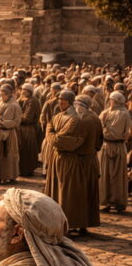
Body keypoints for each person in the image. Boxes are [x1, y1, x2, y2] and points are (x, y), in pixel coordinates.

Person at [45, 92, 103, 234]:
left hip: (74, 161)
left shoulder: (82, 120)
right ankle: (83, 224)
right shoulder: (95, 118)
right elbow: (99, 142)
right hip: (88, 161)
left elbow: (64, 142)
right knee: (84, 195)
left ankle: (70, 224)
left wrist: (51, 135)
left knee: (70, 195)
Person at [98, 91, 132, 212]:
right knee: (105, 174)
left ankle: (117, 202)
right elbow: (98, 127)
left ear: (116, 101)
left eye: (112, 100)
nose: (110, 102)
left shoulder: (123, 114)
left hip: (116, 147)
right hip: (107, 146)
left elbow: (117, 133)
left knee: (117, 176)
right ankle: (106, 201)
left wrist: (106, 131)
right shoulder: (106, 112)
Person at [0, 84, 22, 184]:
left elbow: (16, 121)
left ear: (9, 94)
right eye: (1, 95)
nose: (2, 97)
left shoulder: (15, 105)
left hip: (9, 134)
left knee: (8, 155)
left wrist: (4, 123)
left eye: (4, 95)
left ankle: (8, 176)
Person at [17, 83, 41, 176]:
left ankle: (27, 170)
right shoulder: (21, 99)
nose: (24, 91)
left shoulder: (32, 101)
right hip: (21, 128)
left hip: (28, 129)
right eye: (23, 89)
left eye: (26, 90)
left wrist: (16, 118)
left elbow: (28, 118)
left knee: (27, 150)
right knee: (22, 151)